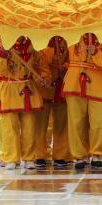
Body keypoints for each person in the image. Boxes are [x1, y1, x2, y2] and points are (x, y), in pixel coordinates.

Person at [62, 33, 102, 170]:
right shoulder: (71, 32)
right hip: (74, 81)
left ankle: (97, 154)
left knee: (98, 121)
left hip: (97, 83)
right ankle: (79, 155)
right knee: (76, 121)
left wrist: (96, 52)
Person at [0, 36, 43, 170]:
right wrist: (3, 54)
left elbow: (40, 64)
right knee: (9, 127)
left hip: (28, 88)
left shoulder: (32, 42)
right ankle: (11, 158)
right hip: (8, 88)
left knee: (29, 126)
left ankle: (29, 157)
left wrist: (44, 77)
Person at [34, 36, 70, 167]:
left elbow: (74, 58)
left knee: (61, 122)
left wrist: (65, 66)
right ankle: (39, 154)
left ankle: (60, 154)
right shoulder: (39, 39)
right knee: (40, 124)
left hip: (62, 84)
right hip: (44, 87)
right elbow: (38, 60)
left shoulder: (69, 38)